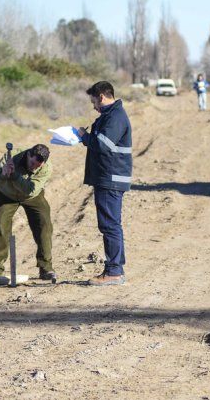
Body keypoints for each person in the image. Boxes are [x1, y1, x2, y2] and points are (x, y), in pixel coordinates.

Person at [77, 81, 132, 286]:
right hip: (108, 178)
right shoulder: (110, 115)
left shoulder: (115, 116)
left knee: (110, 225)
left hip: (111, 179)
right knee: (111, 225)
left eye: (94, 102)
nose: (94, 107)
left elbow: (103, 145)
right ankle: (115, 269)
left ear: (101, 97)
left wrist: (84, 137)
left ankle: (114, 272)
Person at [0, 144, 55, 285]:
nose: (34, 168)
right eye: (32, 163)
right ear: (28, 155)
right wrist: (3, 174)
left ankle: (46, 268)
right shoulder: (11, 157)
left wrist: (14, 176)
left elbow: (30, 190)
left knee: (44, 225)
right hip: (6, 194)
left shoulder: (47, 167)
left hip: (31, 197)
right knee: (0, 227)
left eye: (38, 166)